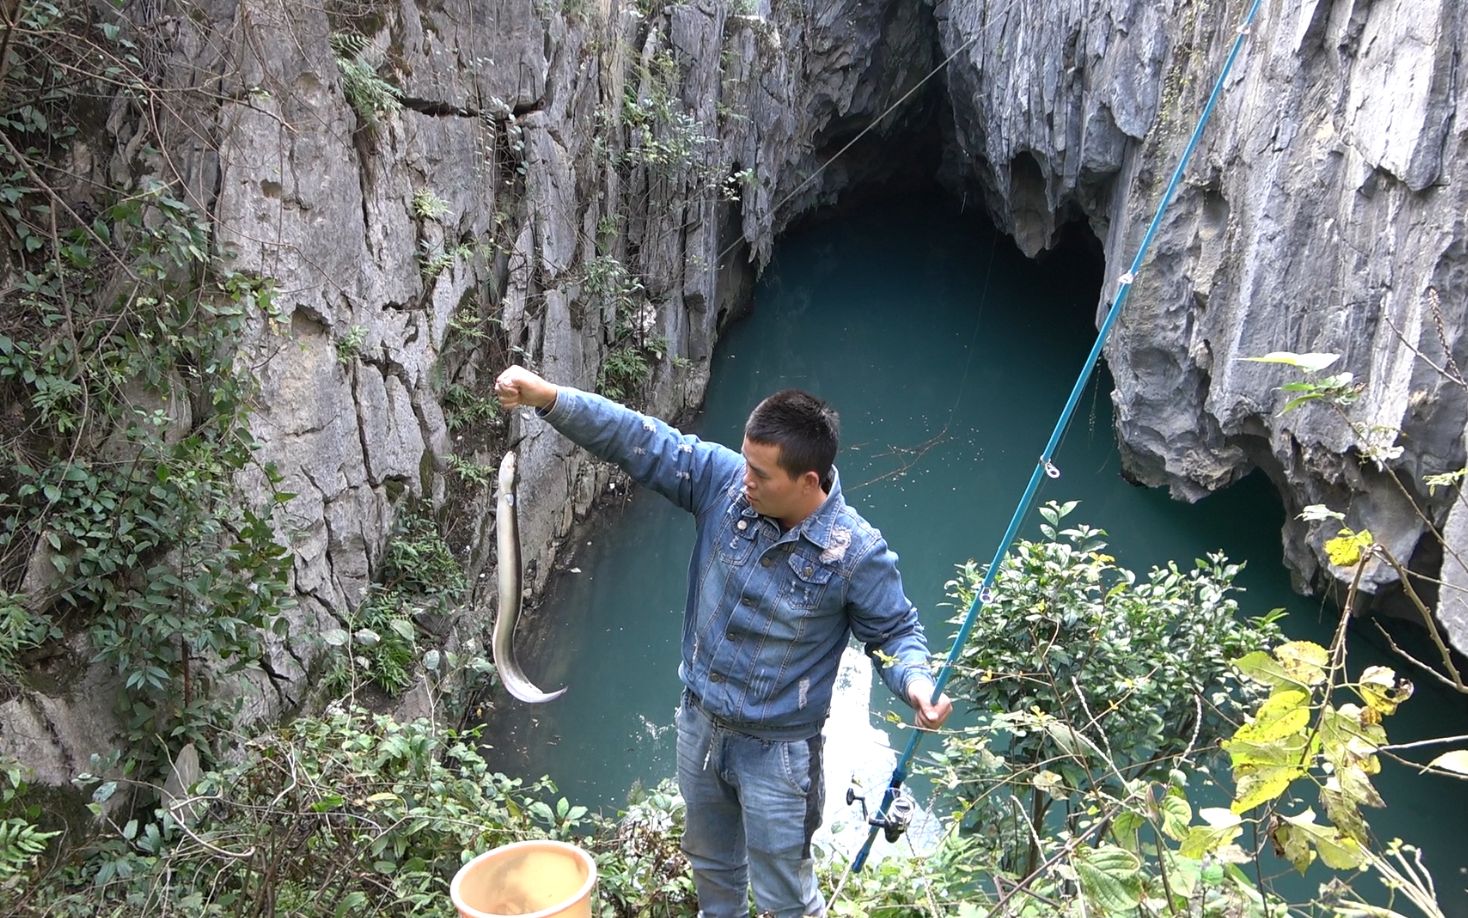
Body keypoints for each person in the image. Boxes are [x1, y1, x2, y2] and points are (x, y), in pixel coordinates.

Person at [494, 365, 953, 918]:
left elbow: (897, 633)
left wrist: (916, 682)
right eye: (745, 464)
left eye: (760, 474)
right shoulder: (723, 484)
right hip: (701, 725)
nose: (745, 481)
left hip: (780, 754)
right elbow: (639, 438)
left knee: (787, 898)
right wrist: (550, 399)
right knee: (713, 872)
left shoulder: (854, 553)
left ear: (808, 481)